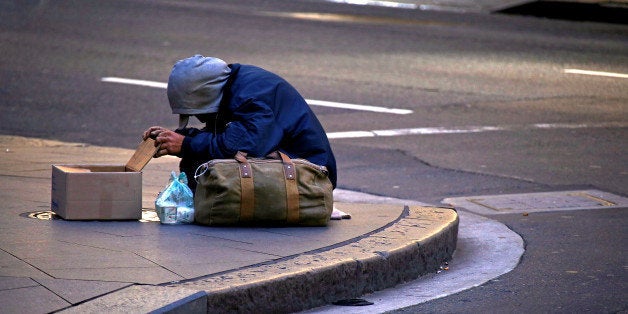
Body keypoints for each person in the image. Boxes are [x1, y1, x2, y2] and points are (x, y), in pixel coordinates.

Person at [143, 55, 337, 194]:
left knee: (202, 165)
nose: (200, 119)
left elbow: (243, 146)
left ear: (207, 96)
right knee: (196, 163)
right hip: (288, 159)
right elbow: (225, 136)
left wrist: (186, 143)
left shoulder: (250, 94)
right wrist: (177, 138)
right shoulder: (228, 84)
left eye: (198, 113)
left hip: (311, 173)